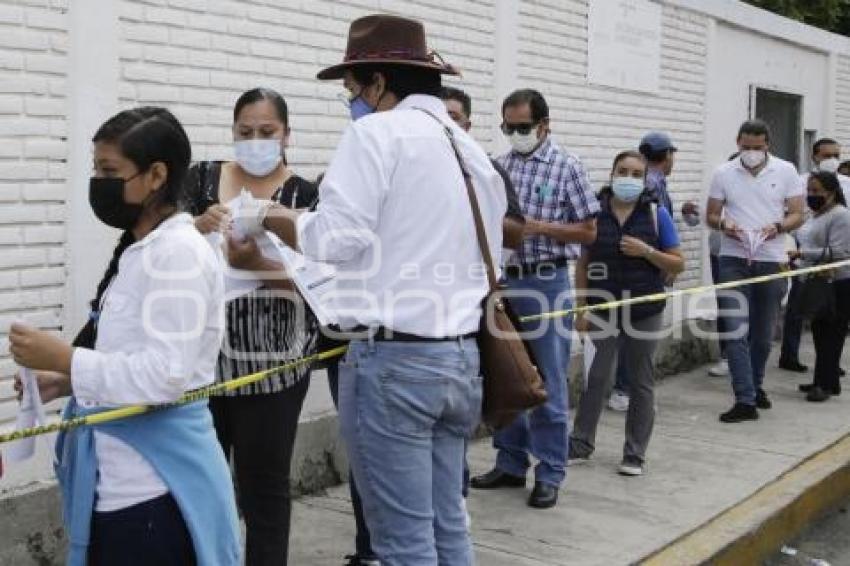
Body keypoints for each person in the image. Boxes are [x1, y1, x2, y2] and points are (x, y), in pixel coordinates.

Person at [237, 14, 506, 564]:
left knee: (402, 542)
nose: (352, 102)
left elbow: (334, 237)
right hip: (461, 359)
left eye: (352, 90)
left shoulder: (375, 133)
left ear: (378, 83)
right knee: (448, 525)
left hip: (394, 363)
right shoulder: (468, 149)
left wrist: (269, 216)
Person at [9, 107, 240, 565]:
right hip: (117, 479)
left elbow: (165, 375)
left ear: (156, 175)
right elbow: (134, 354)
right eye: (96, 169)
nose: (98, 182)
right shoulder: (142, 249)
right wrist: (68, 381)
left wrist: (69, 359)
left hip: (152, 490)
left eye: (109, 171)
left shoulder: (179, 254)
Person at [186, 87, 318, 565]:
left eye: (268, 132)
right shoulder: (201, 179)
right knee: (204, 484)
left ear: (287, 135)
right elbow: (161, 249)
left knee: (264, 488)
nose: (256, 141)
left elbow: (319, 292)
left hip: (273, 367)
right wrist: (199, 226)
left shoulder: (305, 196)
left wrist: (260, 264)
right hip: (202, 365)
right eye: (246, 132)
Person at [471, 88, 599, 509]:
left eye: (523, 127)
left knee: (548, 379)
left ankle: (549, 471)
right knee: (506, 374)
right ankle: (510, 462)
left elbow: (587, 232)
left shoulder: (568, 167)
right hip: (506, 283)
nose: (515, 134)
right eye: (508, 127)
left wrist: (538, 228)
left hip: (546, 282)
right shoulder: (498, 166)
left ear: (545, 125)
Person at [568, 150, 684, 476]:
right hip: (603, 308)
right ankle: (580, 443)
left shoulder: (654, 214)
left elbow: (677, 262)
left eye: (636, 174)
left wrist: (647, 251)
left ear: (645, 179)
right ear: (612, 173)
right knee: (596, 378)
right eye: (623, 171)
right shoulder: (594, 212)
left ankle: (634, 453)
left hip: (644, 309)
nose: (629, 179)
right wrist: (581, 308)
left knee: (641, 382)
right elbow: (583, 265)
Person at [706, 119, 804, 423]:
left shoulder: (786, 171)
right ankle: (744, 399)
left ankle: (756, 385)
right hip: (734, 258)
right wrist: (725, 225)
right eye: (745, 147)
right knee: (736, 330)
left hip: (771, 258)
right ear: (737, 143)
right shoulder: (723, 173)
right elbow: (711, 214)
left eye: (757, 148)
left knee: (762, 334)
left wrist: (777, 228)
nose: (751, 153)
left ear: (767, 146)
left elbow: (798, 214)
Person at [780, 138, 848, 372]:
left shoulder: (845, 187)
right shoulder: (800, 183)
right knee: (801, 311)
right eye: (826, 155)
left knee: (831, 325)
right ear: (814, 156)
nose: (832, 160)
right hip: (808, 260)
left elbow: (840, 249)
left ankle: (829, 370)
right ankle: (791, 355)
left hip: (835, 267)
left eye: (836, 155)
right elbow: (792, 216)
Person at [791, 172, 850, 401]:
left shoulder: (841, 216)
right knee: (819, 332)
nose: (812, 195)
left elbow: (840, 252)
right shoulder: (815, 215)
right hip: (816, 280)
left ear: (832, 191)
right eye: (810, 191)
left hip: (837, 283)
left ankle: (824, 385)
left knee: (831, 335)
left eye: (817, 191)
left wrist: (803, 253)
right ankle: (825, 381)